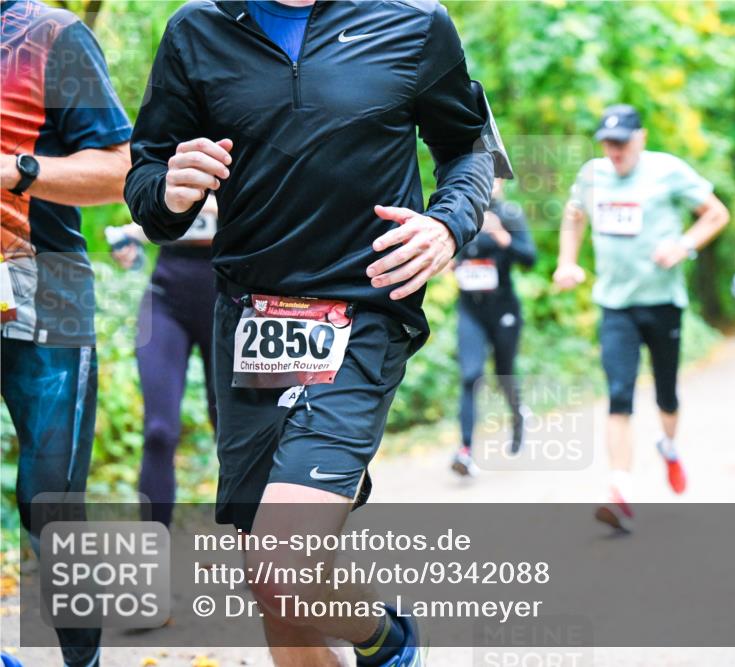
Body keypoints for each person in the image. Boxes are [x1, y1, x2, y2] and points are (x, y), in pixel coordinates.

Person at [124, 1, 506, 666]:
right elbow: (147, 183)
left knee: (281, 564)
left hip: (363, 314)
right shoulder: (198, 30)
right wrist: (172, 189)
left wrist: (447, 223)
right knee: (275, 587)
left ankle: (391, 642)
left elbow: (469, 148)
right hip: (248, 323)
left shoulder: (414, 23)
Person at [1, 1, 132, 665]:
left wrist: (21, 171)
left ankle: (83, 660)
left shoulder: (52, 35)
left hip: (44, 290)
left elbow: (120, 169)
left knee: (48, 502)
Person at [553, 104, 729, 532]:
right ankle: (619, 489)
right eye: (608, 142)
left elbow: (717, 213)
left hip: (663, 303)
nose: (614, 150)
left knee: (666, 394)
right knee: (619, 392)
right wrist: (567, 262)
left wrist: (685, 245)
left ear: (641, 139)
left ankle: (668, 446)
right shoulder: (592, 175)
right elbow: (573, 218)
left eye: (622, 142)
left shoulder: (667, 171)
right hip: (616, 305)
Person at [109, 195, 220, 527]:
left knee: (231, 431)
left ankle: (257, 555)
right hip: (165, 301)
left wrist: (198, 205)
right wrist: (128, 240)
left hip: (228, 300)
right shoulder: (166, 151)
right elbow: (152, 215)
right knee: (158, 431)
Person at [451, 178, 536, 478]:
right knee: (470, 375)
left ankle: (518, 415)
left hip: (503, 309)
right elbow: (453, 257)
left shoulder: (510, 214)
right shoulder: (460, 211)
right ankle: (465, 450)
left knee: (503, 374)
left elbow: (530, 258)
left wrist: (502, 236)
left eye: (494, 178)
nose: (488, 183)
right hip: (470, 309)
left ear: (500, 183)